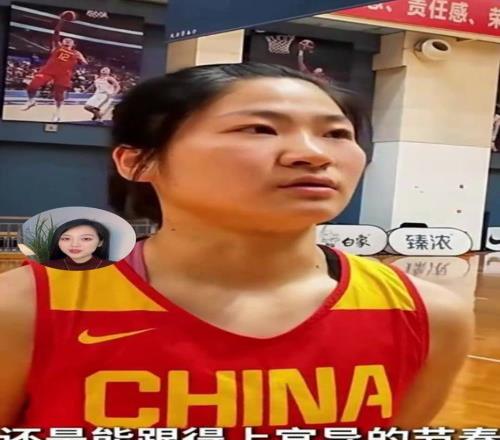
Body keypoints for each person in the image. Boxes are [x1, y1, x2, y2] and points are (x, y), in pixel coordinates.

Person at [0, 63, 473, 434]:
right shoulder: (26, 308)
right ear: (138, 161)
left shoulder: (429, 316)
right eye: (259, 129)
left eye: (336, 134)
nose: (314, 154)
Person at [22, 12, 88, 122]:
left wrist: (81, 60)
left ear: (73, 44)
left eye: (70, 40)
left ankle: (57, 112)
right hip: (49, 70)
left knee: (58, 95)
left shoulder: (76, 53)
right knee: (32, 86)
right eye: (65, 39)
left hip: (64, 74)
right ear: (62, 42)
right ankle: (31, 101)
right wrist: (61, 20)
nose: (67, 40)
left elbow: (85, 63)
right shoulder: (57, 46)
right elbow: (56, 32)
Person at [42, 219, 113, 270]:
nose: (74, 244)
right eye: (66, 238)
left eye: (86, 239)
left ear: (100, 242)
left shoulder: (115, 268)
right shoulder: (44, 268)